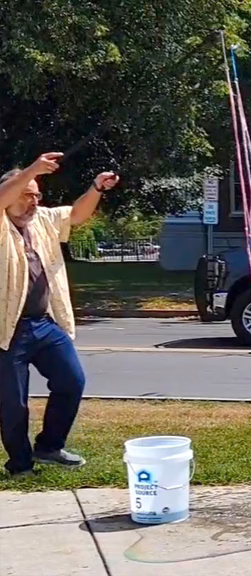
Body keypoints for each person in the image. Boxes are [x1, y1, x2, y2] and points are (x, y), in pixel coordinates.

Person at [0, 152, 120, 477]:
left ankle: (49, 447)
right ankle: (20, 465)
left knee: (71, 380)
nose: (34, 202)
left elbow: (77, 214)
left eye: (37, 196)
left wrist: (97, 187)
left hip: (44, 324)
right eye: (27, 194)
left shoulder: (43, 220)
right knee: (13, 403)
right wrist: (33, 170)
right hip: (6, 329)